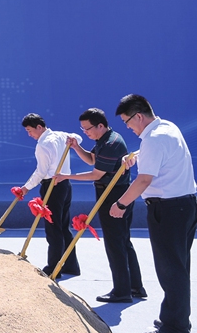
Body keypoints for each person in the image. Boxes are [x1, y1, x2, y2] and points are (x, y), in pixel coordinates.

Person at [110, 94, 197, 333]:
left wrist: (121, 204)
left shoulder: (153, 139)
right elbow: (160, 154)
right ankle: (173, 317)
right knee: (178, 267)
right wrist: (138, 153)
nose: (128, 127)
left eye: (128, 121)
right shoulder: (167, 128)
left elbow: (143, 180)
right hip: (185, 205)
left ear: (139, 116)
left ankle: (177, 328)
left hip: (169, 210)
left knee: (171, 270)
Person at [58, 109, 145, 302]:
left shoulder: (111, 143)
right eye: (82, 129)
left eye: (88, 128)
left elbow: (96, 174)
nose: (85, 132)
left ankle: (122, 291)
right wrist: (76, 147)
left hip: (114, 195)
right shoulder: (105, 140)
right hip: (112, 192)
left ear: (100, 125)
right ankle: (135, 287)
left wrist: (66, 176)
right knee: (122, 240)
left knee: (115, 242)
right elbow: (92, 160)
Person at [13, 113, 79, 277]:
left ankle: (54, 268)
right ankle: (71, 266)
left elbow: (41, 172)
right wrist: (72, 140)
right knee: (63, 226)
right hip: (65, 184)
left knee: (53, 227)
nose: (30, 135)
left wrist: (26, 188)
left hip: (52, 186)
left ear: (39, 127)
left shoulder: (43, 144)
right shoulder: (61, 135)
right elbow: (78, 137)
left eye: (30, 131)